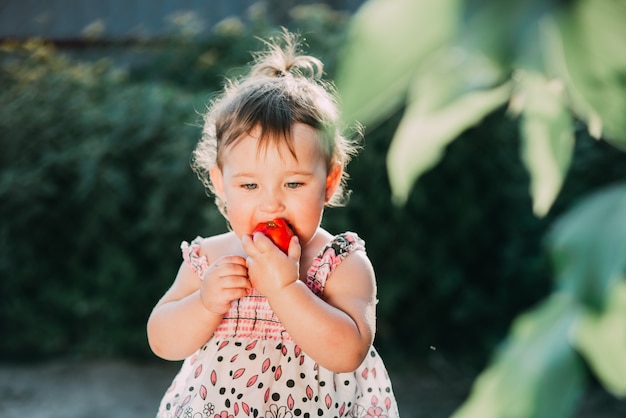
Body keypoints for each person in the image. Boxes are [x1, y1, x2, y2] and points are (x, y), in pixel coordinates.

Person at [147, 30, 399, 418]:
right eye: (249, 185)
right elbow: (162, 341)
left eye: (294, 183)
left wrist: (286, 288)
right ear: (221, 184)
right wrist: (204, 303)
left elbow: (348, 352)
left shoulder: (340, 264)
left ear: (329, 182)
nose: (270, 203)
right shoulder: (210, 257)